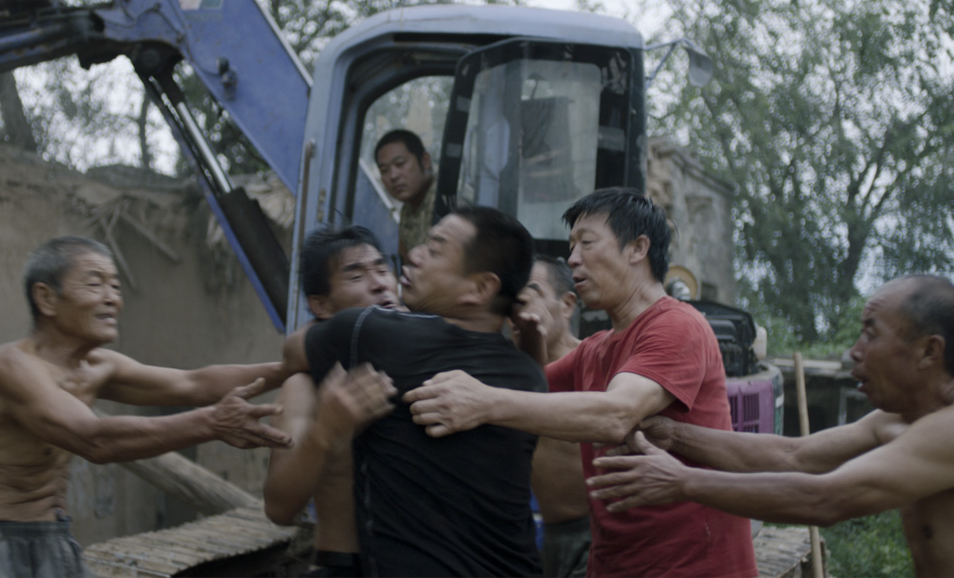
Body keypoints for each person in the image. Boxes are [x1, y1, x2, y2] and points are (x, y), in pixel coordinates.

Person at [404, 187, 757, 577]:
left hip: (693, 566)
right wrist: (529, 339)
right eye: (572, 247)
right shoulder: (596, 350)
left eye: (587, 243)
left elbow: (615, 414)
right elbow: (531, 396)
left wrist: (483, 401)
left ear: (637, 248)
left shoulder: (676, 325)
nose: (573, 259)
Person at [0, 236, 293, 578]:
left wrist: (292, 368)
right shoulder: (9, 367)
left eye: (116, 287)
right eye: (95, 285)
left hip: (54, 540)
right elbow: (95, 440)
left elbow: (194, 383)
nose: (112, 299)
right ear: (46, 298)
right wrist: (213, 423)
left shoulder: (98, 365)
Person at [588, 274, 954, 578]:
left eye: (871, 334)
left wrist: (681, 481)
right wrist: (677, 435)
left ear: (929, 351)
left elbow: (825, 499)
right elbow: (793, 455)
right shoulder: (897, 419)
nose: (854, 351)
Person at [290, 206, 546, 577]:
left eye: (435, 249)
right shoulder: (529, 377)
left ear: (480, 287)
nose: (413, 255)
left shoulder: (373, 334)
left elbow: (291, 353)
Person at [263, 226, 401, 577]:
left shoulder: (425, 356)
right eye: (356, 274)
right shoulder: (307, 385)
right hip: (343, 566)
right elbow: (279, 507)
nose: (379, 283)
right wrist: (327, 431)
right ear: (320, 305)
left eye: (383, 270)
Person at [515, 255, 591, 578]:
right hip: (546, 534)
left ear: (567, 304)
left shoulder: (593, 362)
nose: (524, 304)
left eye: (533, 291)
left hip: (596, 532)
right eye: (515, 297)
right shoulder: (508, 374)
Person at [374, 129, 436, 263]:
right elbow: (403, 267)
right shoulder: (407, 210)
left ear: (425, 161)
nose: (393, 176)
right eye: (384, 170)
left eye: (400, 164)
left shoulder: (445, 199)